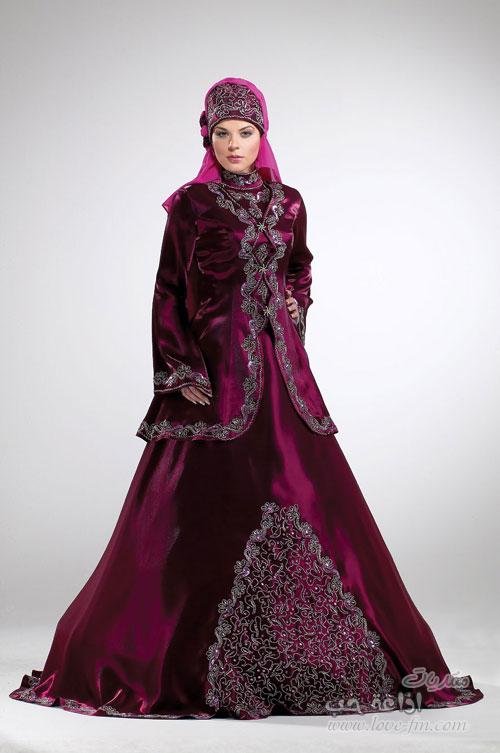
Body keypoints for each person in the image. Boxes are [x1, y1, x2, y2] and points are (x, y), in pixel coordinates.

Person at [9, 77, 483, 720]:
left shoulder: (289, 202)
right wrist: (179, 366)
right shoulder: (191, 206)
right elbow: (168, 289)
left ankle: (301, 659)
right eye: (223, 133)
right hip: (211, 376)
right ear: (207, 138)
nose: (235, 144)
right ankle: (173, 657)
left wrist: (293, 306)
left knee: (311, 496)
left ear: (263, 136)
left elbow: (300, 266)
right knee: (193, 510)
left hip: (284, 377)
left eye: (247, 132)